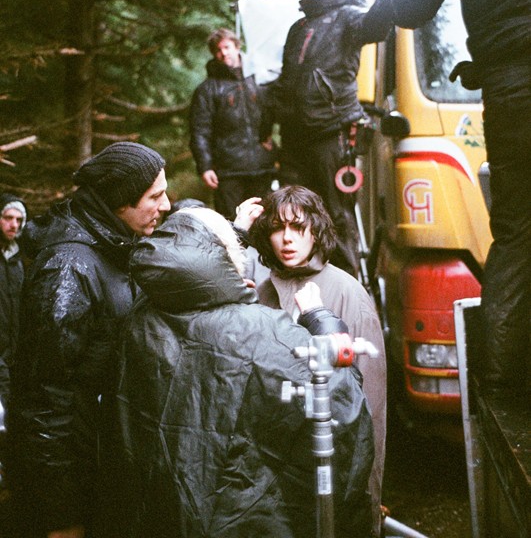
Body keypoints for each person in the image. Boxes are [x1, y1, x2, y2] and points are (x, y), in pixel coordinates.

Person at [115, 206, 375, 538]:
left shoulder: (139, 319)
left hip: (158, 515)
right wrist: (320, 320)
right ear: (225, 257)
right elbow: (344, 407)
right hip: (246, 522)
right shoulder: (263, 330)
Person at [374, 0, 531, 395]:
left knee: (515, 232)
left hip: (509, 100)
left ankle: (502, 378)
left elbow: (409, 10)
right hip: (508, 78)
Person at [8, 141, 172, 538]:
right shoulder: (68, 268)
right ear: (120, 202)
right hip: (71, 492)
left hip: (103, 470)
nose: (166, 205)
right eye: (155, 196)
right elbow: (43, 401)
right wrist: (61, 515)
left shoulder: (113, 245)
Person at [250, 185, 387, 538]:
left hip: (333, 457)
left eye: (298, 227)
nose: (287, 238)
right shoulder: (263, 291)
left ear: (316, 232)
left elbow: (372, 403)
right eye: (277, 228)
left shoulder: (347, 292)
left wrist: (369, 496)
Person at [267, 0, 391, 275]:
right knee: (292, 215)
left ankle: (348, 290)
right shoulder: (298, 28)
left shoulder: (348, 16)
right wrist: (265, 128)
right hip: (294, 138)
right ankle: (300, 287)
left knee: (336, 215)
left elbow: (376, 27)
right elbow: (284, 83)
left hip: (332, 133)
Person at [189, 27, 276, 220]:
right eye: (218, 50)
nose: (223, 53)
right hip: (228, 171)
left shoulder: (259, 79)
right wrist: (205, 166)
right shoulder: (207, 90)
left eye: (227, 47)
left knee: (264, 222)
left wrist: (269, 140)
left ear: (237, 47)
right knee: (231, 224)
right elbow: (200, 131)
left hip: (262, 167)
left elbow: (274, 111)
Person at [0, 195, 27, 419]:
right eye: (8, 218)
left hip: (15, 351)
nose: (14, 224)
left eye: (19, 220)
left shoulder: (21, 257)